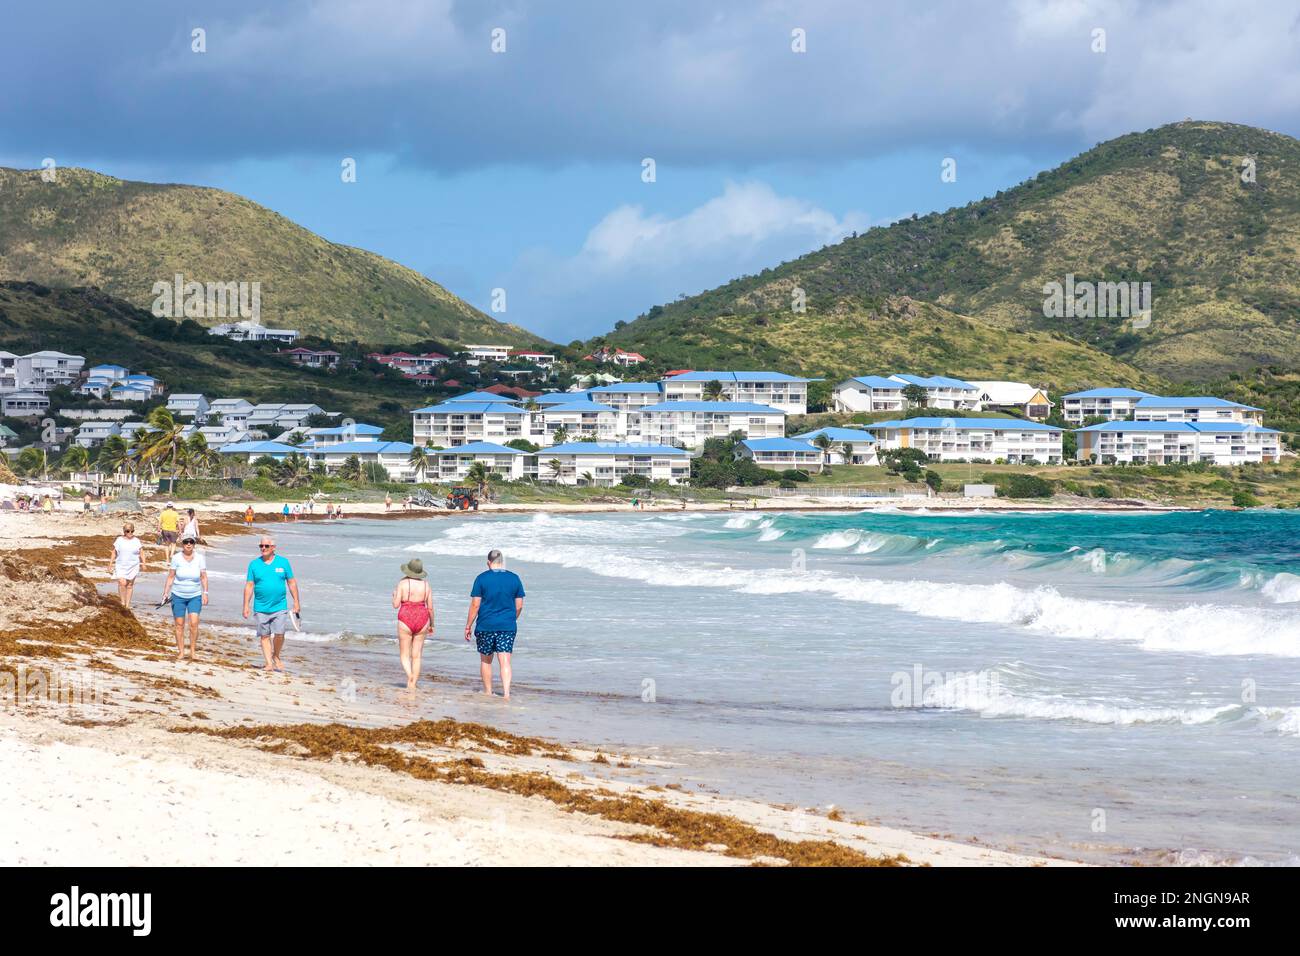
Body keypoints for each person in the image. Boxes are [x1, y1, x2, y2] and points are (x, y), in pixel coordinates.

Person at [464, 549, 525, 699]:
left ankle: (488, 691)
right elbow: (519, 606)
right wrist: (512, 618)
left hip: (486, 625)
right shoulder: (514, 578)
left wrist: (468, 625)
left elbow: (475, 605)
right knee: (505, 661)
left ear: (488, 563)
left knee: (486, 660)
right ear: (502, 562)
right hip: (507, 626)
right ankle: (506, 694)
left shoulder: (481, 579)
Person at [242, 535, 300, 673]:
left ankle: (276, 656)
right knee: (265, 635)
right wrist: (246, 605)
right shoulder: (254, 564)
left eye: (266, 546)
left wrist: (296, 602)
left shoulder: (283, 562)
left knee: (279, 634)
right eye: (261, 546)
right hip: (261, 607)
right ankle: (269, 663)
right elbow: (249, 585)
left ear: (273, 548)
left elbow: (291, 582)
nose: (263, 548)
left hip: (279, 606)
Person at [161, 536, 208, 662]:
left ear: (194, 544)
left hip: (195, 595)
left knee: (193, 623)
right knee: (179, 625)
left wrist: (205, 593)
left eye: (191, 542)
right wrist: (165, 593)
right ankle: (181, 652)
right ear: (182, 544)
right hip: (178, 595)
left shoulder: (200, 558)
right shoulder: (176, 558)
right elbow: (171, 576)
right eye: (186, 542)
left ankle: (192, 651)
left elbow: (203, 577)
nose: (188, 544)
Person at [391, 559, 434, 689]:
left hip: (406, 617)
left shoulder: (402, 583)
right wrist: (432, 624)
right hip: (422, 618)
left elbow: (395, 605)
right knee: (417, 655)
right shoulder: (426, 585)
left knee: (404, 654)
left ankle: (409, 675)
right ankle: (413, 684)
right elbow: (430, 608)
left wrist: (394, 595)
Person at [111, 522, 145, 608]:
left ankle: (127, 605)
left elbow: (141, 552)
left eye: (132, 531)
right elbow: (114, 552)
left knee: (129, 585)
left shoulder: (136, 540)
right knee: (122, 583)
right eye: (128, 531)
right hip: (121, 565)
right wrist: (110, 563)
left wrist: (144, 563)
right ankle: (122, 602)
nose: (130, 533)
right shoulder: (119, 540)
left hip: (133, 565)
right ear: (124, 531)